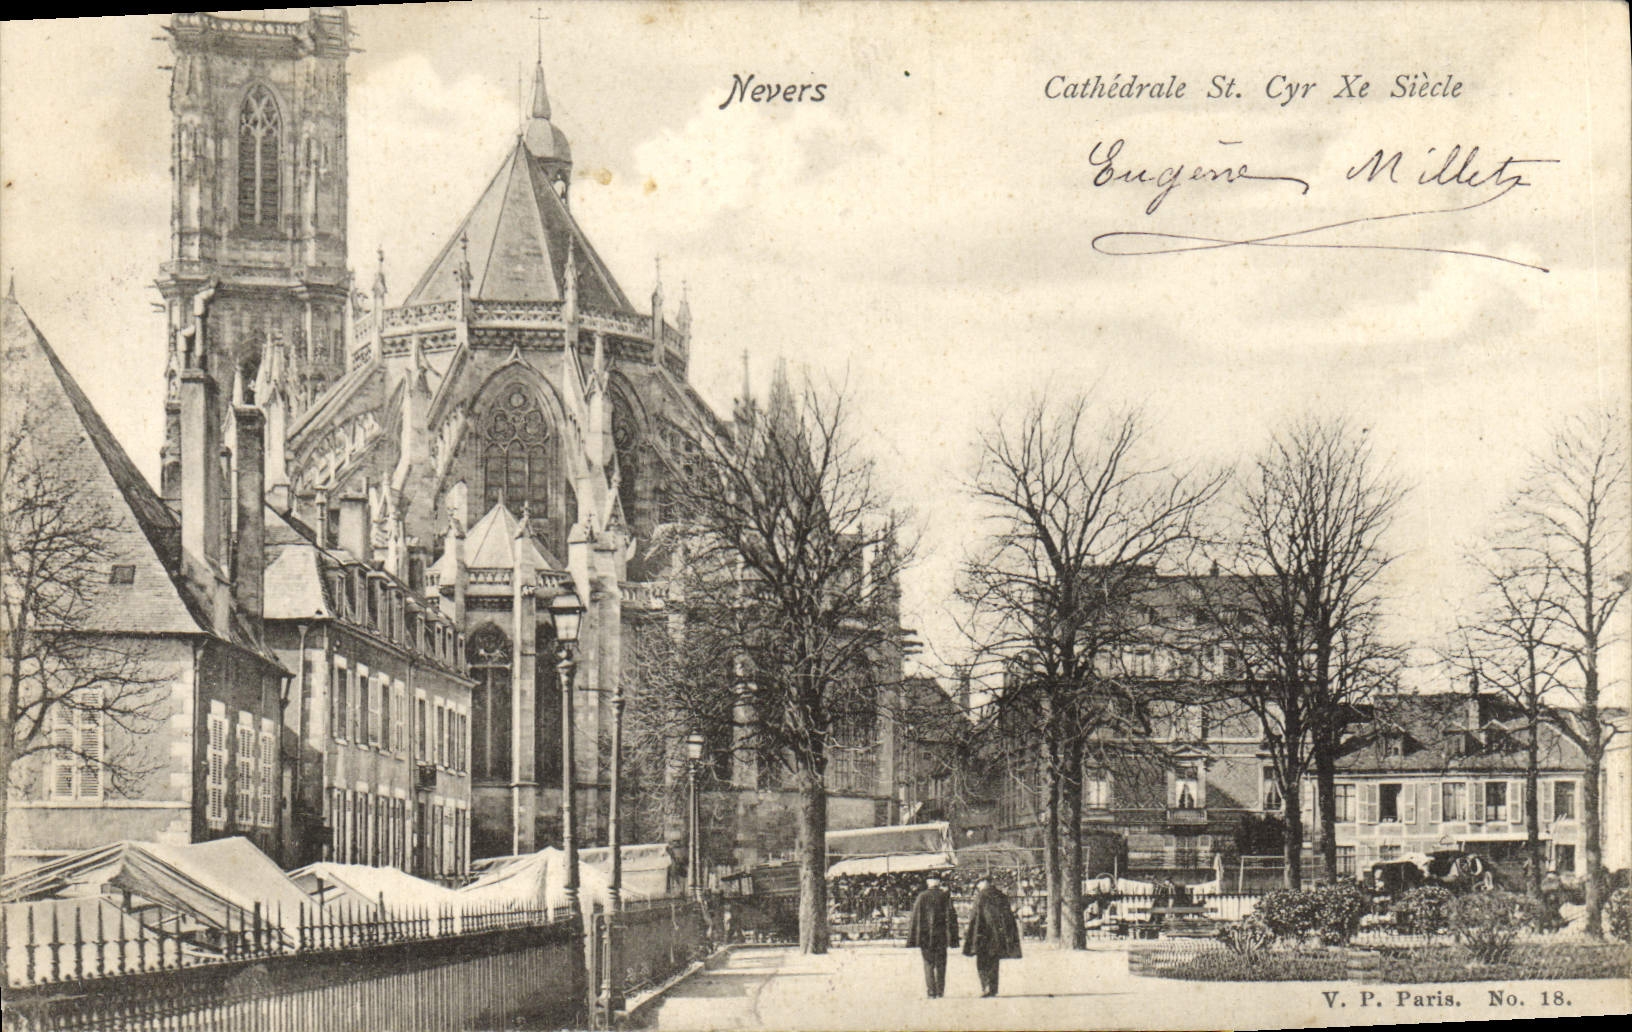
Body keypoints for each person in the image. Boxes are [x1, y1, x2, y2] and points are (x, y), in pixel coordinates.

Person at [962, 876, 1022, 998]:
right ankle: (993, 988)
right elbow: (1008, 916)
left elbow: (975, 916)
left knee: (982, 961)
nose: (977, 886)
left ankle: (985, 986)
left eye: (978, 884)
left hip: (982, 934)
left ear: (983, 883)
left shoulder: (980, 896)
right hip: (997, 934)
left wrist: (971, 932)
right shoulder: (1001, 896)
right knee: (994, 961)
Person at [905, 874, 958, 999]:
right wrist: (952, 936)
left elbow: (915, 918)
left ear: (928, 882)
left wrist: (914, 937)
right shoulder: (945, 896)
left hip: (925, 936)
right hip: (941, 935)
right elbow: (951, 917)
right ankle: (940, 991)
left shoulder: (922, 896)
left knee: (928, 963)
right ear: (939, 882)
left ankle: (931, 991)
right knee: (941, 964)